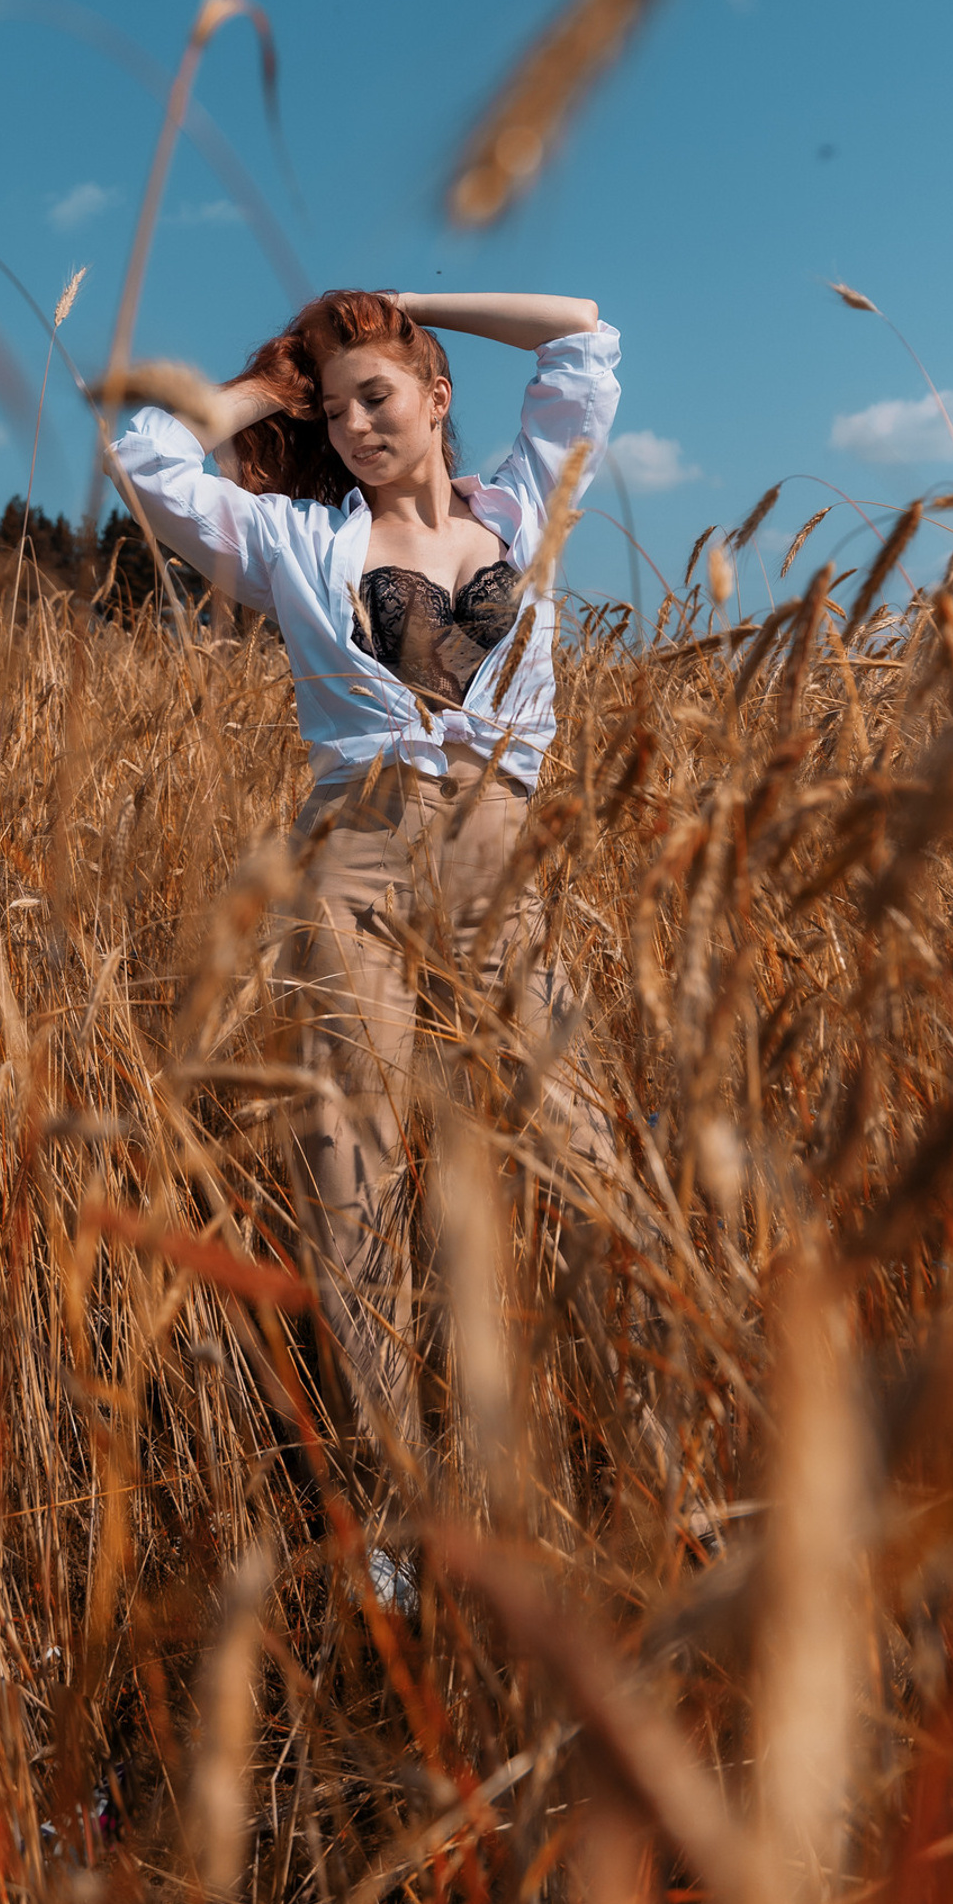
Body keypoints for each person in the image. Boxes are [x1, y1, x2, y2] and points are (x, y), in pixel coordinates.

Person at [110, 288, 619, 1472]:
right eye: (333, 415)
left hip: (502, 864)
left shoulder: (526, 504)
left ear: (439, 398)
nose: (354, 427)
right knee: (354, 1172)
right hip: (357, 865)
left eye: (376, 396)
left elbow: (582, 338)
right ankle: (393, 1494)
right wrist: (286, 376)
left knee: (584, 1147)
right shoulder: (297, 542)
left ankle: (619, 1446)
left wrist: (402, 300)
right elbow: (148, 454)